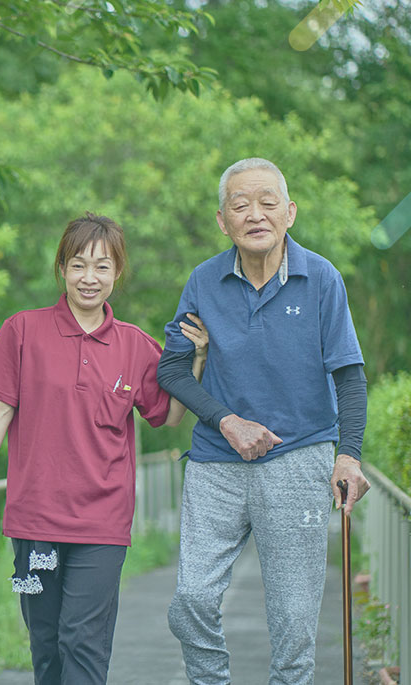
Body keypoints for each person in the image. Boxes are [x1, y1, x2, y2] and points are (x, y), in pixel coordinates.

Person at [0, 212, 207, 685]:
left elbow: (167, 417)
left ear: (117, 273)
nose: (90, 277)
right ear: (62, 269)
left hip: (102, 520)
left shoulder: (135, 345)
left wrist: (198, 360)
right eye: (78, 265)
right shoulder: (22, 330)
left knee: (82, 641)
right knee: (46, 643)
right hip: (35, 517)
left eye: (103, 266)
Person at [157, 157, 370, 685]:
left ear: (289, 212)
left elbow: (349, 374)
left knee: (295, 620)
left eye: (267, 202)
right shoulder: (203, 281)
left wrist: (349, 453)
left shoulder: (321, 278)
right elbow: (173, 370)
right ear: (222, 220)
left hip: (300, 460)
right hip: (215, 462)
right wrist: (226, 420)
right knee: (191, 598)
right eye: (240, 204)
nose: (255, 214)